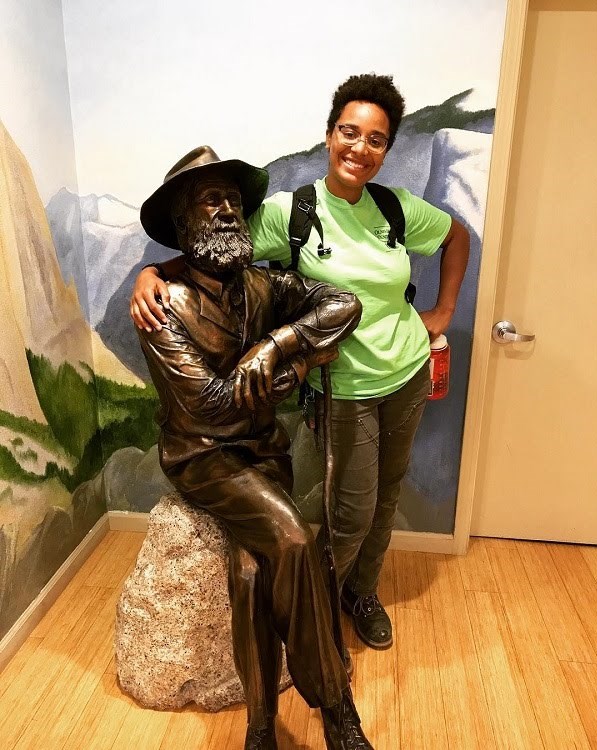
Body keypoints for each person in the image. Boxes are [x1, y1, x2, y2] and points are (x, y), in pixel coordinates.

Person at [131, 73, 470, 653]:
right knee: (351, 511)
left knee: (387, 495)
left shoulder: (394, 207)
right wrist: (151, 274)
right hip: (345, 386)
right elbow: (213, 249)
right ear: (330, 133)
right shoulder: (292, 213)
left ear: (386, 149)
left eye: (376, 139)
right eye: (349, 132)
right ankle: (320, 618)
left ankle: (361, 594)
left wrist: (441, 310)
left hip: (409, 372)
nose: (359, 149)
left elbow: (455, 236)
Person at [135, 145, 372, 750]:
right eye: (211, 200)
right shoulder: (166, 305)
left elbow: (345, 304)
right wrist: (297, 370)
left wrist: (277, 345)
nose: (227, 210)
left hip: (264, 452)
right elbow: (210, 405)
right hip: (206, 460)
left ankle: (261, 725)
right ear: (183, 221)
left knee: (249, 572)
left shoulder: (262, 285)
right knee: (295, 539)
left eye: (234, 200)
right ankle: (337, 710)